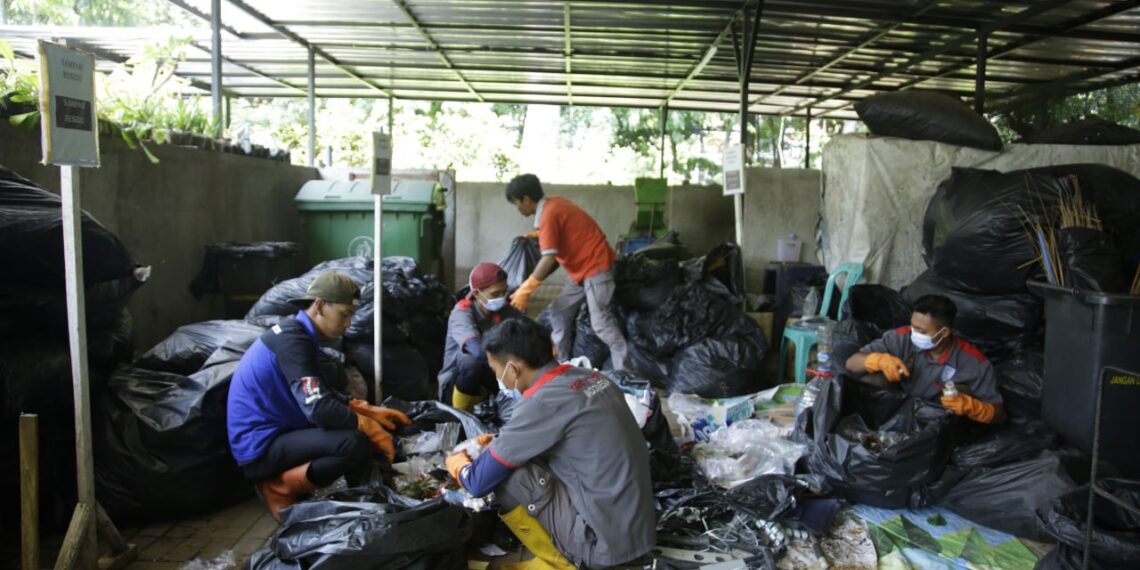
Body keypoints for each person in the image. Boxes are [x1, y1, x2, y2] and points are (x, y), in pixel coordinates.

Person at [445, 318, 654, 569]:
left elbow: (478, 483)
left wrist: (459, 465)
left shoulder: (541, 402)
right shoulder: (592, 377)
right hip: (639, 529)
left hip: (603, 546)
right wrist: (504, 442)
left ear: (513, 368)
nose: (498, 377)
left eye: (495, 369)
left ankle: (568, 561)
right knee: (513, 455)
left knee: (509, 475)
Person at [226, 271, 411, 521]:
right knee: (353, 442)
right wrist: (368, 426)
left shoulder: (299, 335)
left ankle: (371, 504)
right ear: (321, 305)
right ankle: (278, 487)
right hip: (260, 447)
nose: (348, 324)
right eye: (344, 315)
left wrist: (366, 410)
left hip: (281, 432)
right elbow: (320, 409)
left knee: (358, 432)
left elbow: (319, 393)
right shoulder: (292, 340)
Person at [505, 173, 630, 371]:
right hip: (580, 270)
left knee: (601, 325)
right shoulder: (553, 205)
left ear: (526, 199)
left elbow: (548, 258)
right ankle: (562, 365)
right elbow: (561, 230)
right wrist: (538, 235)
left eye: (516, 203)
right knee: (559, 312)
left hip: (596, 268)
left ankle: (626, 374)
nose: (517, 208)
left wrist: (525, 289)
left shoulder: (549, 213)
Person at [845, 294, 1005, 424]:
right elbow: (851, 363)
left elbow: (1000, 415)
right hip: (896, 404)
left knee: (958, 395)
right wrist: (878, 361)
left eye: (920, 330)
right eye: (913, 326)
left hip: (935, 422)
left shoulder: (973, 362)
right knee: (873, 381)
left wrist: (974, 407)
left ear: (943, 333)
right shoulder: (903, 337)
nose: (914, 332)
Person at [438, 262, 525, 411]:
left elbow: (529, 334)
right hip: (457, 386)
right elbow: (476, 350)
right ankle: (461, 415)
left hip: (494, 377)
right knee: (471, 361)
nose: (502, 298)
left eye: (504, 292)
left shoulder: (506, 311)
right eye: (495, 294)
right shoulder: (462, 313)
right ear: (477, 293)